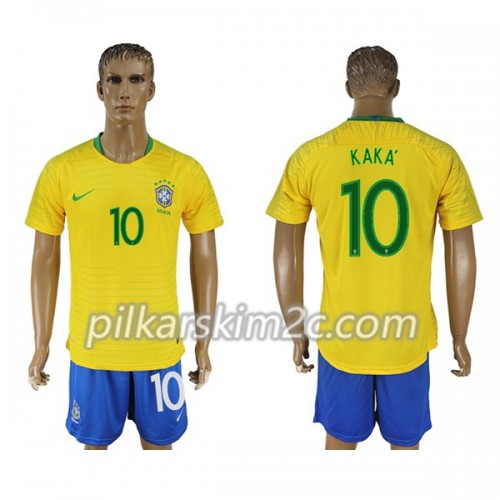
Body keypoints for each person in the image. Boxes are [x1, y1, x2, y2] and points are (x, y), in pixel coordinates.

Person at [266, 46, 482, 450]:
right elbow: (462, 254)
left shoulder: (310, 157)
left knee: (339, 444)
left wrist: (296, 329)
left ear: (348, 89)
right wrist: (460, 335)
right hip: (408, 338)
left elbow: (286, 253)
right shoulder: (438, 156)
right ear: (396, 88)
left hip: (342, 338)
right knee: (406, 447)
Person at [26, 43, 223, 450]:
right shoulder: (62, 171)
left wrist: (203, 341)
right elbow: (44, 260)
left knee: (159, 450)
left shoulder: (184, 171)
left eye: (136, 80)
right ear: (99, 89)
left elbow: (205, 259)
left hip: (158, 348)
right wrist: (41, 342)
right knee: (94, 451)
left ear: (152, 89)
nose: (124, 92)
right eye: (114, 80)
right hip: (93, 349)